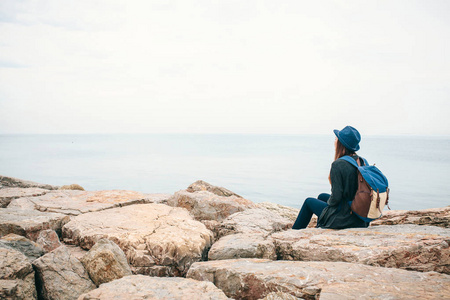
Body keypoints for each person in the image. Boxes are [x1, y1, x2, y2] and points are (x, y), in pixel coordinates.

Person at [292, 126, 369, 229]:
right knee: (322, 196)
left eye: (336, 139)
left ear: (341, 144)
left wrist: (329, 206)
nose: (334, 141)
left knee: (308, 202)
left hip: (345, 219)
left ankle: (295, 232)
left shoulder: (339, 164)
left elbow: (336, 198)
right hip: (359, 216)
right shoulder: (363, 162)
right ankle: (320, 227)